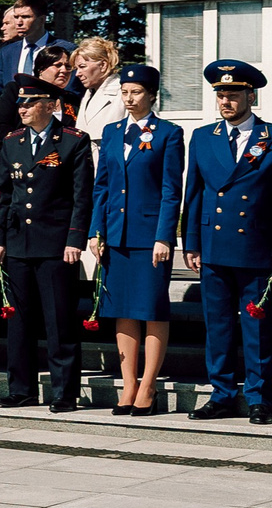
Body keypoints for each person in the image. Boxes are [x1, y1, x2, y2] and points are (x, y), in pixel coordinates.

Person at [0, 79, 92, 411]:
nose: (21, 109)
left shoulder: (72, 142)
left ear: (50, 106)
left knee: (59, 321)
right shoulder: (12, 142)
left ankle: (64, 392)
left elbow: (81, 197)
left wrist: (75, 239)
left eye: (29, 104)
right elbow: (4, 196)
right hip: (19, 244)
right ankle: (21, 388)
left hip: (55, 245)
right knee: (19, 322)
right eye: (20, 104)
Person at [182, 60, 272, 425]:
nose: (226, 102)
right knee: (217, 325)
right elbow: (195, 193)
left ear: (251, 95)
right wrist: (191, 243)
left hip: (257, 247)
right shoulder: (204, 137)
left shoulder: (269, 137)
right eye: (221, 95)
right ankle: (221, 394)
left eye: (233, 95)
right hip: (214, 246)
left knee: (258, 328)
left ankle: (260, 397)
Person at [88, 64, 179, 417]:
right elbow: (102, 187)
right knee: (122, 310)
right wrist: (98, 231)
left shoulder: (169, 133)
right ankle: (128, 384)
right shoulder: (111, 132)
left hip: (149, 236)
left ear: (152, 95)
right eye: (125, 92)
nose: (129, 99)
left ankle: (148, 384)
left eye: (136, 92)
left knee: (152, 309)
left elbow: (172, 190)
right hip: (115, 235)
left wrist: (164, 236)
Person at [0, 0, 72, 110]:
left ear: (42, 20)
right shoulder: (8, 52)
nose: (19, 22)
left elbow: (72, 91)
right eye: (16, 17)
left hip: (51, 120)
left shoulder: (65, 49)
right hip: (12, 123)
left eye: (26, 17)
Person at [72, 39, 125, 144]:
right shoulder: (88, 95)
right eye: (76, 68)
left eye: (82, 67)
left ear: (103, 65)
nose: (77, 74)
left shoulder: (123, 94)